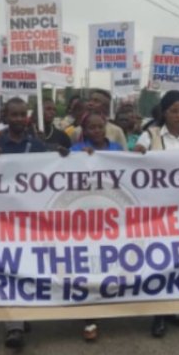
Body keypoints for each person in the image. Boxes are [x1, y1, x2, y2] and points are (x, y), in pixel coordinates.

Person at [134, 90, 179, 338]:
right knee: (158, 259)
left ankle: (172, 306)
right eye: (173, 110)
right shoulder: (150, 134)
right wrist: (139, 153)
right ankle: (158, 313)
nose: (178, 115)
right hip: (157, 209)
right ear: (164, 112)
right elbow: (136, 156)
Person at [0, 98, 54, 350]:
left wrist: (65, 155)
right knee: (9, 269)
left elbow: (55, 166)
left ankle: (22, 315)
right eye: (13, 114)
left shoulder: (35, 145)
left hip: (30, 221)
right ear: (6, 116)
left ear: (27, 116)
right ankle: (13, 325)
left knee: (27, 268)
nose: (17, 118)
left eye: (21, 114)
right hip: (3, 221)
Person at [70, 111, 122, 341]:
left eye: (100, 127)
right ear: (84, 131)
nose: (96, 132)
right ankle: (90, 318)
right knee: (87, 266)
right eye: (91, 128)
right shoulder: (76, 151)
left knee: (110, 264)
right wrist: (76, 158)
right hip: (83, 218)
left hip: (112, 218)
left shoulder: (118, 152)